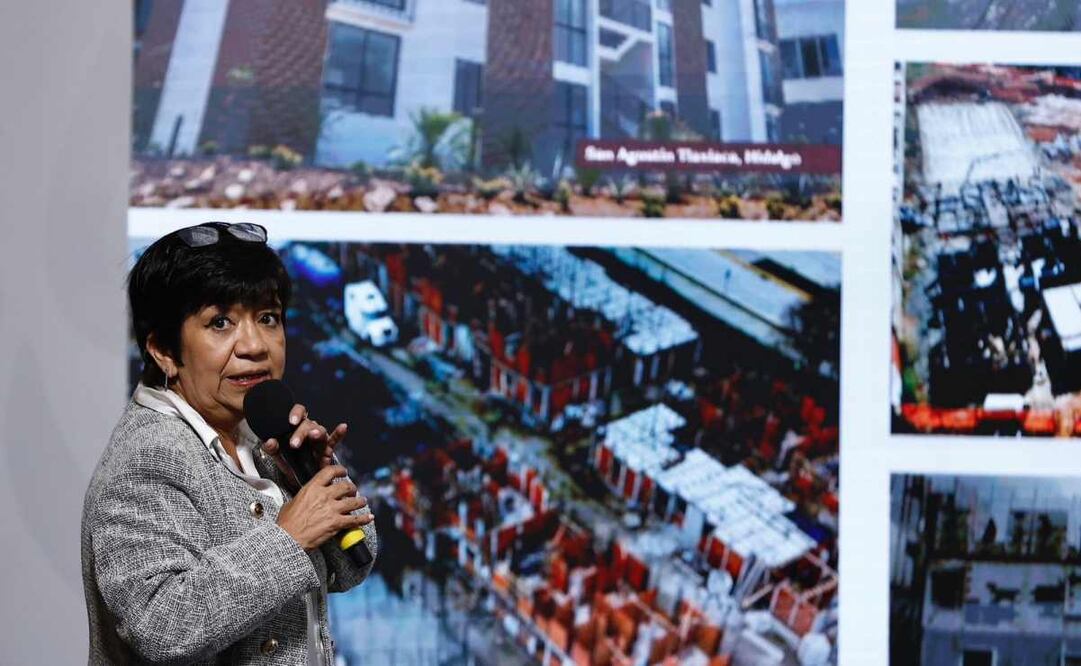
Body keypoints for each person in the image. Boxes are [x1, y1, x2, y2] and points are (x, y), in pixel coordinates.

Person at [81, 222, 377, 664]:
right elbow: (162, 627)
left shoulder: (260, 435)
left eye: (267, 318)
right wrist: (288, 539)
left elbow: (354, 567)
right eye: (220, 323)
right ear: (163, 349)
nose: (255, 345)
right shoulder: (149, 458)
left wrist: (314, 477)